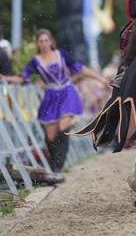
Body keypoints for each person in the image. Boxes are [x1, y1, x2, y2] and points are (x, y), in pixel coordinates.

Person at [0, 28, 110, 178]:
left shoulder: (61, 55)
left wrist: (100, 79)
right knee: (50, 136)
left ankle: (58, 166)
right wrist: (9, 79)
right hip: (51, 96)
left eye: (46, 40)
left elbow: (81, 69)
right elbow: (23, 76)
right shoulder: (35, 60)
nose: (44, 44)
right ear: (37, 44)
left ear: (51, 41)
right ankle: (54, 164)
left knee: (63, 126)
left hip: (67, 93)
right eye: (41, 41)